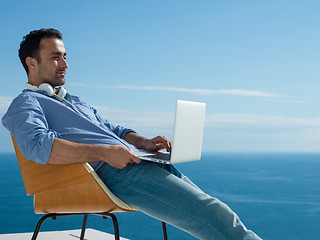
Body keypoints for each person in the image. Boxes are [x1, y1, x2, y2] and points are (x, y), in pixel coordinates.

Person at [2, 28, 262, 240]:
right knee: (213, 214)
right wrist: (103, 152)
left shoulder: (74, 100)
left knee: (213, 207)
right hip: (111, 174)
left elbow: (112, 129)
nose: (66, 64)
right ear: (31, 63)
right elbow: (37, 145)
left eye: (65, 56)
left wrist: (142, 142)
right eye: (56, 57)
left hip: (133, 161)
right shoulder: (27, 103)